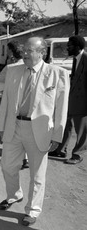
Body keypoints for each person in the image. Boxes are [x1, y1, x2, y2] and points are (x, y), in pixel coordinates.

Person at [0, 36, 70, 227]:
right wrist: (1, 127)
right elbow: (5, 102)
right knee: (7, 165)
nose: (25, 53)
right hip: (15, 126)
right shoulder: (13, 71)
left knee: (37, 174)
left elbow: (61, 109)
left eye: (30, 50)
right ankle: (14, 195)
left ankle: (33, 210)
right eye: (24, 50)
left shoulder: (57, 74)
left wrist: (57, 135)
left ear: (42, 52)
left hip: (39, 130)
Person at [49, 35, 87, 165]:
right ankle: (60, 149)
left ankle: (77, 154)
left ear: (77, 47)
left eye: (69, 46)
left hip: (82, 102)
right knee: (65, 125)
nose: (67, 48)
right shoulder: (76, 59)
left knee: (81, 130)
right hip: (71, 100)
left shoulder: (86, 59)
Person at [0, 41, 29, 169]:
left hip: (12, 104)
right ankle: (24, 158)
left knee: (14, 132)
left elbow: (0, 81)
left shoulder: (11, 68)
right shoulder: (28, 67)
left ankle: (17, 159)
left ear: (12, 52)